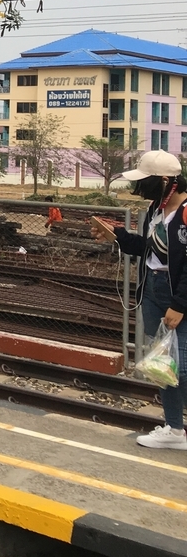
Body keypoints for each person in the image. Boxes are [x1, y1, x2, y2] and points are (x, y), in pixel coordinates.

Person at [91, 149, 187, 450]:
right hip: (153, 291)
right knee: (164, 365)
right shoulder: (156, 210)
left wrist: (180, 304)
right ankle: (174, 429)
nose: (139, 189)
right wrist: (117, 236)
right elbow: (149, 249)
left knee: (181, 366)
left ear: (165, 181)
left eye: (145, 182)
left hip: (178, 296)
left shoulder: (185, 212)